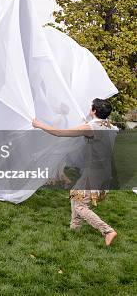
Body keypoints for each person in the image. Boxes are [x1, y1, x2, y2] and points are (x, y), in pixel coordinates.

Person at [32, 98, 118, 246]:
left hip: (94, 172)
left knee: (80, 205)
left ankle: (107, 231)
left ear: (94, 111)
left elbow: (60, 133)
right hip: (103, 170)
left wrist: (39, 125)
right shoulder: (110, 126)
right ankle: (74, 229)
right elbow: (95, 129)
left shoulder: (90, 128)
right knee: (76, 195)